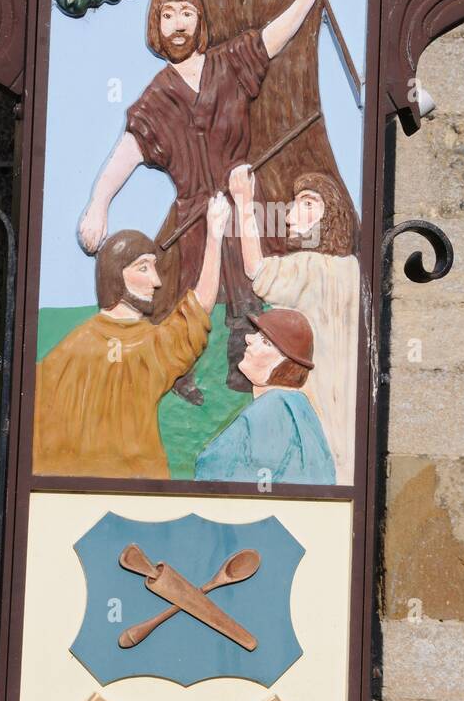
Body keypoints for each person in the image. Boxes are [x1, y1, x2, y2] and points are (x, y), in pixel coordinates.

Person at [77, 0, 329, 399]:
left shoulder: (230, 63)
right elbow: (125, 154)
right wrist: (98, 205)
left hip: (242, 196)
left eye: (186, 14)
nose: (178, 24)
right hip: (194, 210)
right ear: (156, 27)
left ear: (199, 22)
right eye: (168, 15)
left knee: (247, 284)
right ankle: (178, 371)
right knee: (187, 287)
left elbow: (273, 37)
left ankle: (241, 366)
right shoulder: (156, 98)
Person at [34, 194, 230, 479]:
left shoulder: (70, 349)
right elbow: (199, 308)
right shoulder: (145, 348)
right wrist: (214, 236)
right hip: (135, 487)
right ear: (115, 274)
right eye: (143, 268)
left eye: (153, 268)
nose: (156, 281)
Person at [228, 163, 359, 484]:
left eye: (307, 204)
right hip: (344, 412)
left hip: (313, 406)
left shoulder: (310, 267)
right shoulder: (351, 270)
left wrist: (243, 201)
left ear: (331, 216)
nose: (289, 216)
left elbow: (256, 270)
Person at [194, 308, 335, 486]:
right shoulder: (297, 406)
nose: (249, 338)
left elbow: (219, 470)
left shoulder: (273, 407)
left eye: (265, 341)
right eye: (258, 335)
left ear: (284, 364)